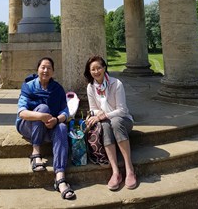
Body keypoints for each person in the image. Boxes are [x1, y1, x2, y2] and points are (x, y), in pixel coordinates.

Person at [16, 57, 76, 200]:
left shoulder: (57, 89)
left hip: (50, 126)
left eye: (49, 68)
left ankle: (60, 178)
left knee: (62, 127)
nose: (45, 70)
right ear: (38, 69)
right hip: (27, 126)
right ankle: (35, 153)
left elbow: (65, 112)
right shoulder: (28, 86)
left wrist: (56, 120)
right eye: (43, 67)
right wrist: (41, 116)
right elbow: (21, 112)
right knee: (42, 109)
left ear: (53, 71)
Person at [84, 55, 137, 191]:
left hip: (123, 121)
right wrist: (97, 116)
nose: (96, 72)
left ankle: (129, 169)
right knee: (106, 126)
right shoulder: (91, 87)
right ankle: (115, 172)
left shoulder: (116, 84)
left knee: (115, 122)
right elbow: (93, 109)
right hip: (106, 122)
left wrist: (103, 115)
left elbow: (122, 110)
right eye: (93, 69)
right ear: (89, 72)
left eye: (99, 68)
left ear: (104, 68)